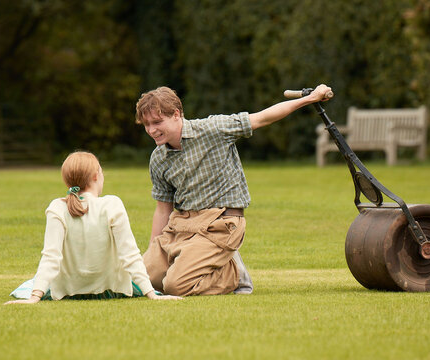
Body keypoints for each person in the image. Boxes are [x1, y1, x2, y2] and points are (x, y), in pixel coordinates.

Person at [135, 84, 333, 296]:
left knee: (175, 286)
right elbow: (163, 210)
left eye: (157, 122)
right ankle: (192, 264)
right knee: (143, 280)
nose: (151, 130)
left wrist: (310, 99)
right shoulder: (158, 158)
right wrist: (153, 251)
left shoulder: (214, 129)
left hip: (220, 224)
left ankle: (234, 274)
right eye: (146, 124)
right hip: (181, 226)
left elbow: (262, 118)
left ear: (176, 114)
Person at [5, 151, 181, 304]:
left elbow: (51, 257)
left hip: (70, 290)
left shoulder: (57, 207)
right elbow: (129, 254)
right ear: (96, 176)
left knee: (34, 282)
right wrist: (150, 293)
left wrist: (35, 296)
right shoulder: (112, 204)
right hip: (110, 289)